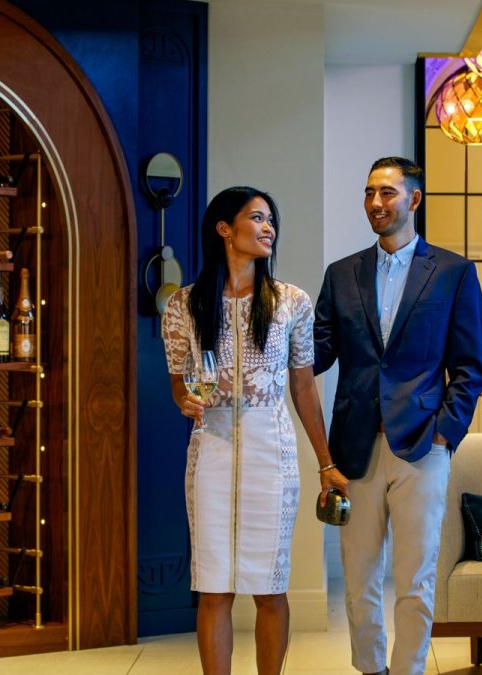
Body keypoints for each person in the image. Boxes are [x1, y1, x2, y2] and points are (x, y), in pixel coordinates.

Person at [164, 186, 346, 675]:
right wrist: (186, 402)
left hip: (273, 453)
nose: (269, 228)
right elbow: (179, 386)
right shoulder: (183, 305)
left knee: (270, 586)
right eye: (257, 218)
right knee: (214, 588)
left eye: (271, 220)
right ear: (225, 228)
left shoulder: (291, 302)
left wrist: (326, 462)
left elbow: (304, 388)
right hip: (211, 453)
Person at [314, 157, 482, 674]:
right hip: (355, 447)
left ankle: (408, 669)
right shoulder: (341, 274)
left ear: (414, 200)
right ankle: (371, 670)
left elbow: (468, 367)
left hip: (422, 446)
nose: (375, 203)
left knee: (415, 577)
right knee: (358, 575)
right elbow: (317, 353)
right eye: (369, 192)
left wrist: (444, 434)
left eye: (387, 193)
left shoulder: (454, 272)